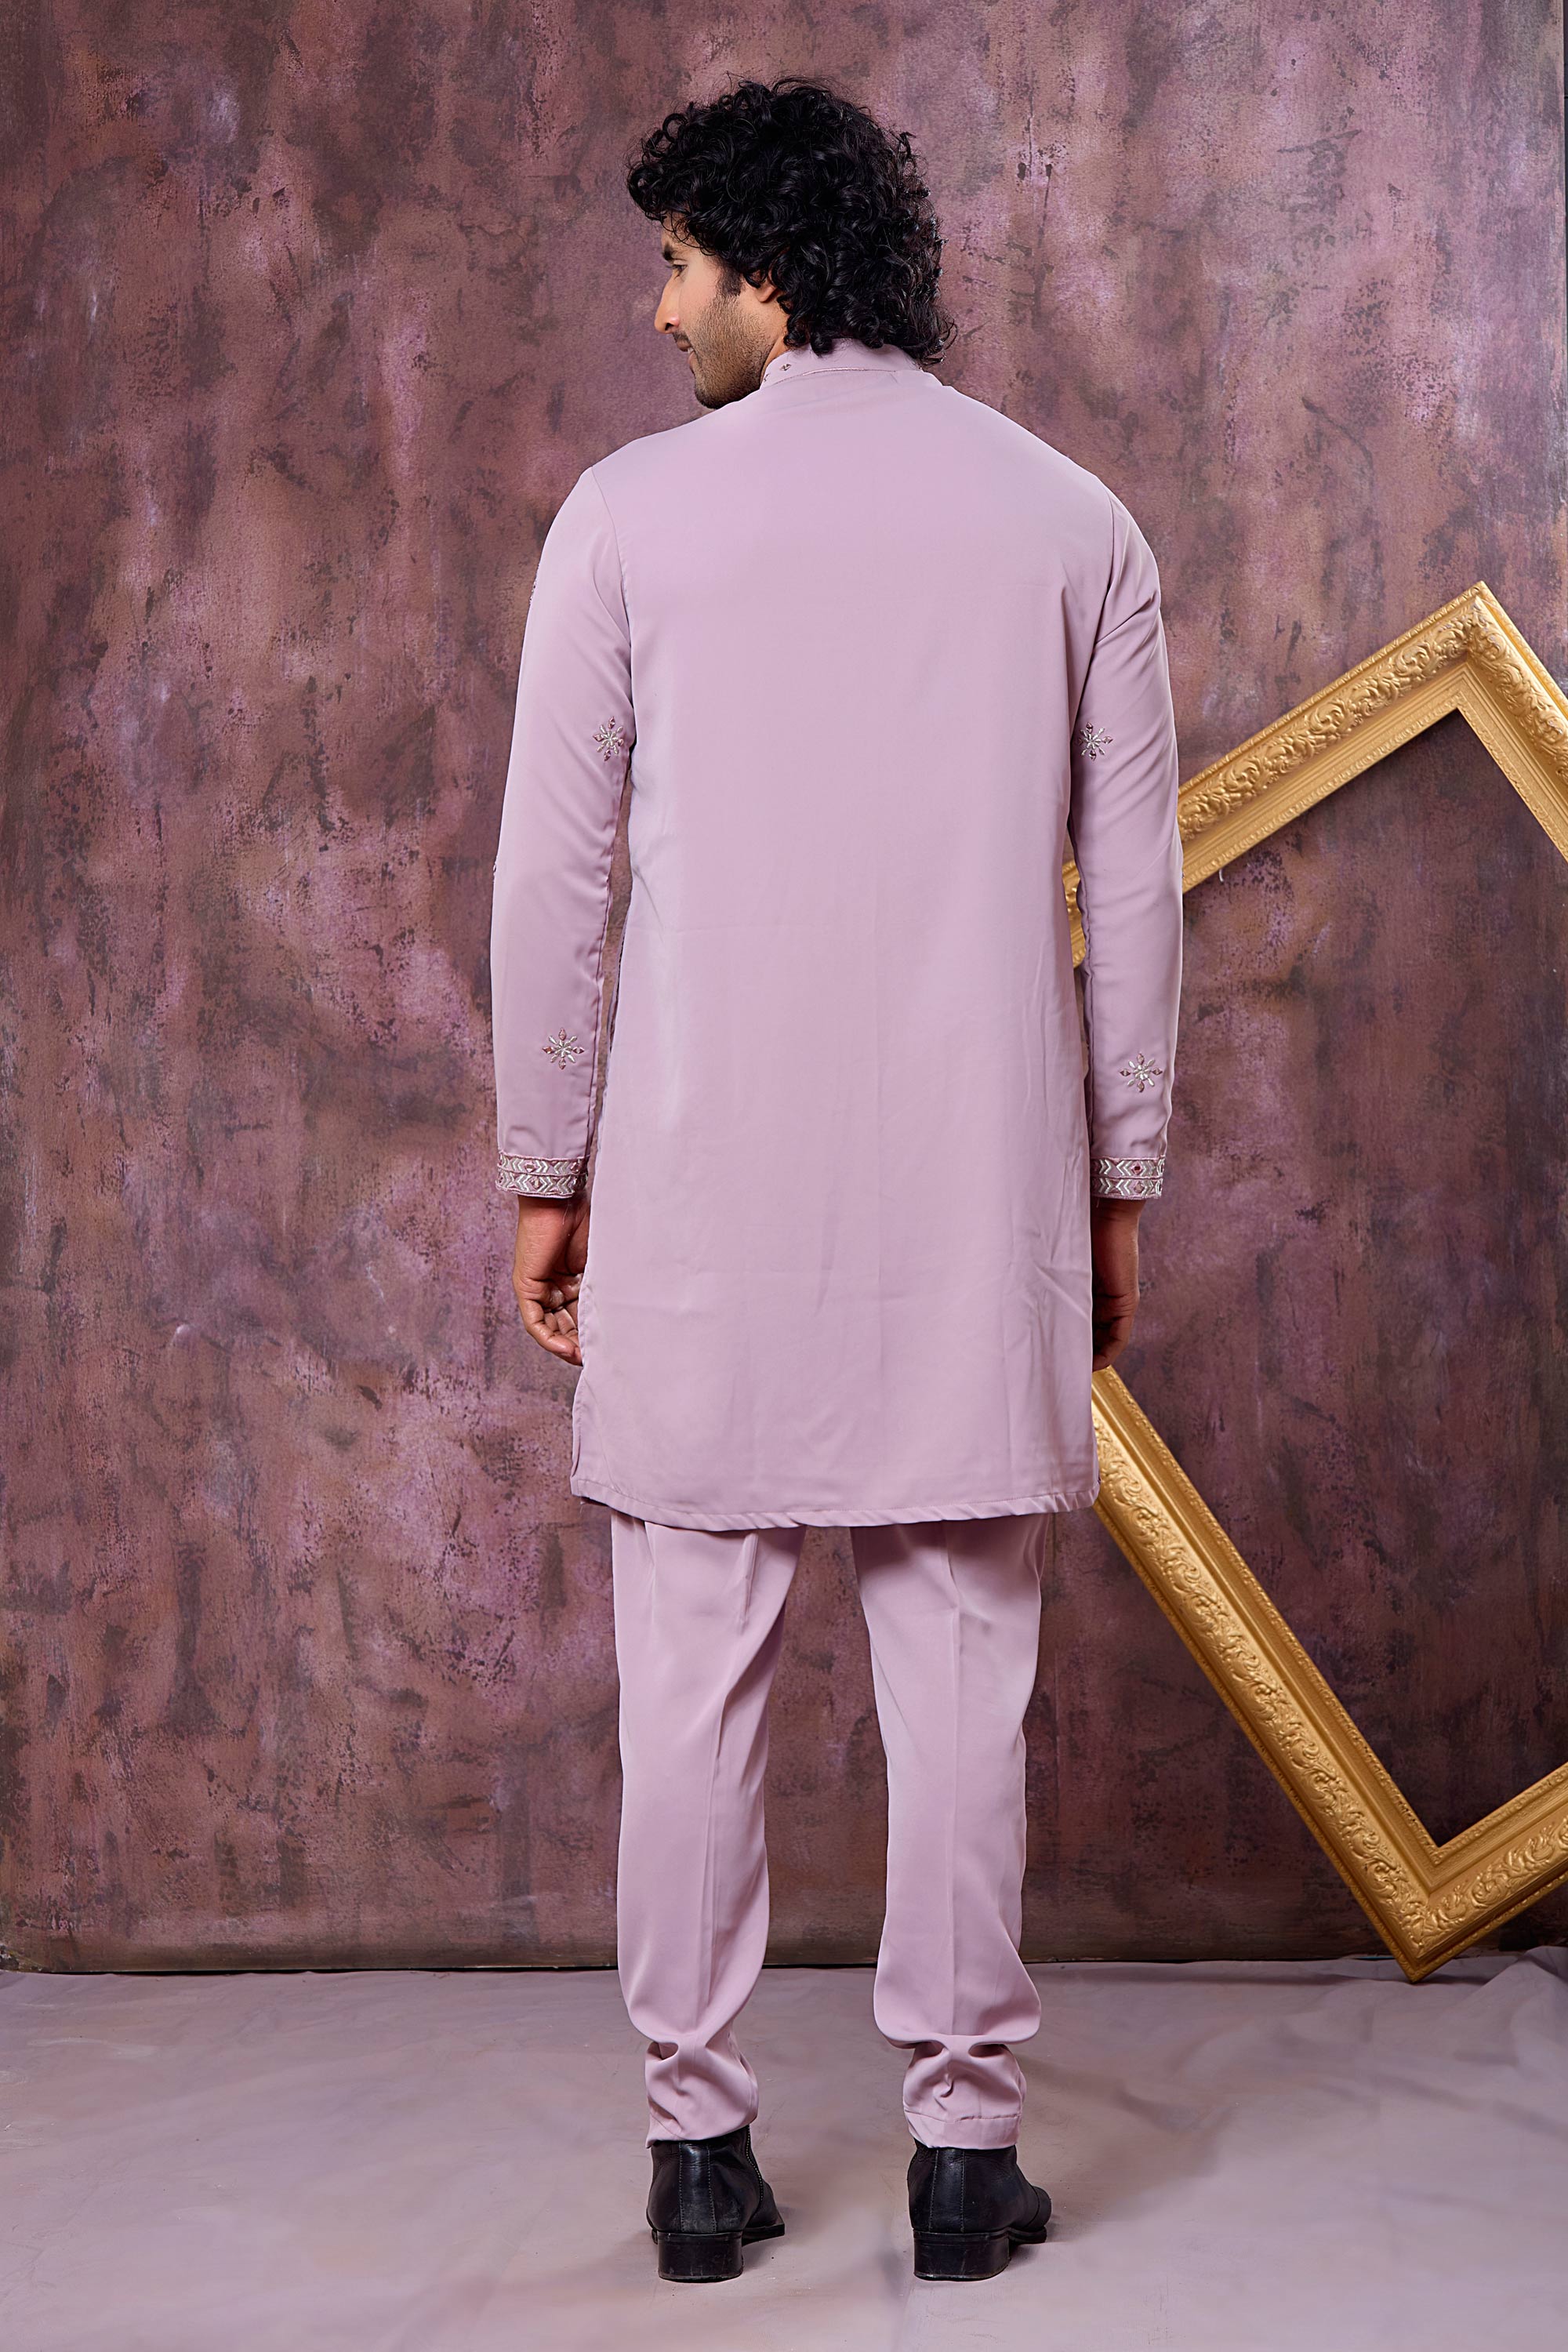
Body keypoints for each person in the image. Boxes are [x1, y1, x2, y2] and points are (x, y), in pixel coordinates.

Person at [488, 74, 1182, 2286]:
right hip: (977, 1198)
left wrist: (544, 1164)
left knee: (691, 1675)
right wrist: (1120, 1184)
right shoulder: (1070, 520)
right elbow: (1136, 900)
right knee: (965, 1670)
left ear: (772, 274)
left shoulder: (627, 519)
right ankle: (965, 2161)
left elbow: (555, 882)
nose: (658, 304)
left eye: (679, 264)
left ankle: (698, 2158)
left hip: (702, 1190)